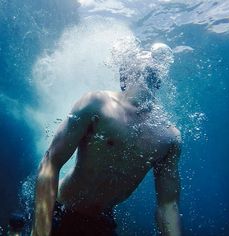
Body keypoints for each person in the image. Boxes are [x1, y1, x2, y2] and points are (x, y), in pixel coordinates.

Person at [31, 46, 182, 236]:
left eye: (153, 59)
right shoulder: (96, 104)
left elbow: (168, 205)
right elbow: (50, 162)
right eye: (142, 54)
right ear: (124, 75)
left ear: (160, 78)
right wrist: (40, 230)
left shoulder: (169, 137)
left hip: (102, 221)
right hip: (60, 211)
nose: (149, 57)